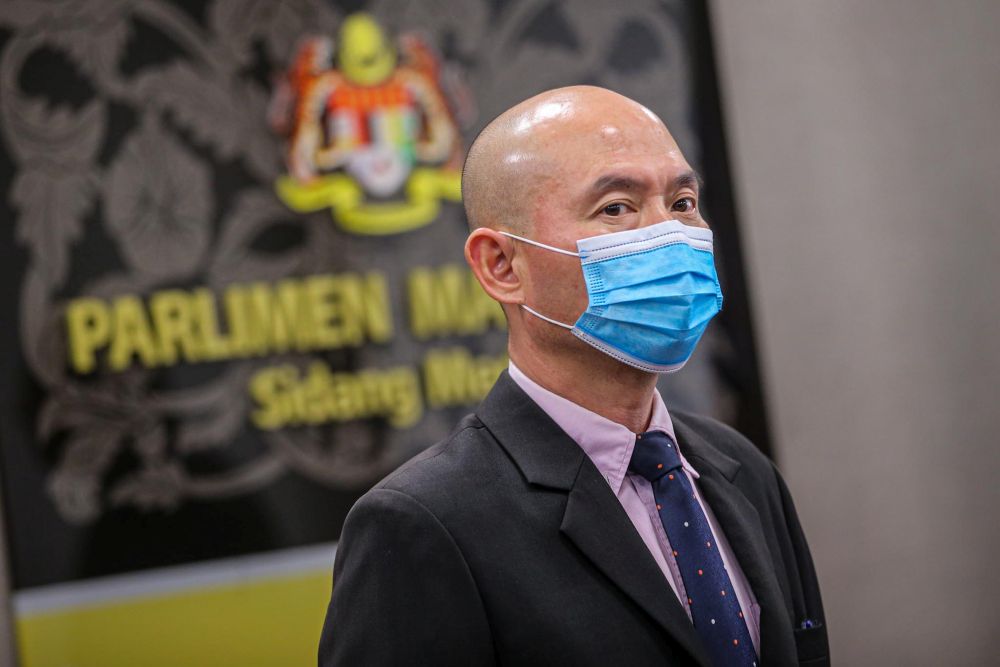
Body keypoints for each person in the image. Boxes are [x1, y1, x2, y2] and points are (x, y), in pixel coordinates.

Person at [318, 86, 828, 667]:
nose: (671, 234)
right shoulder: (421, 525)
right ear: (502, 266)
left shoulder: (740, 470)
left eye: (682, 202)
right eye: (617, 207)